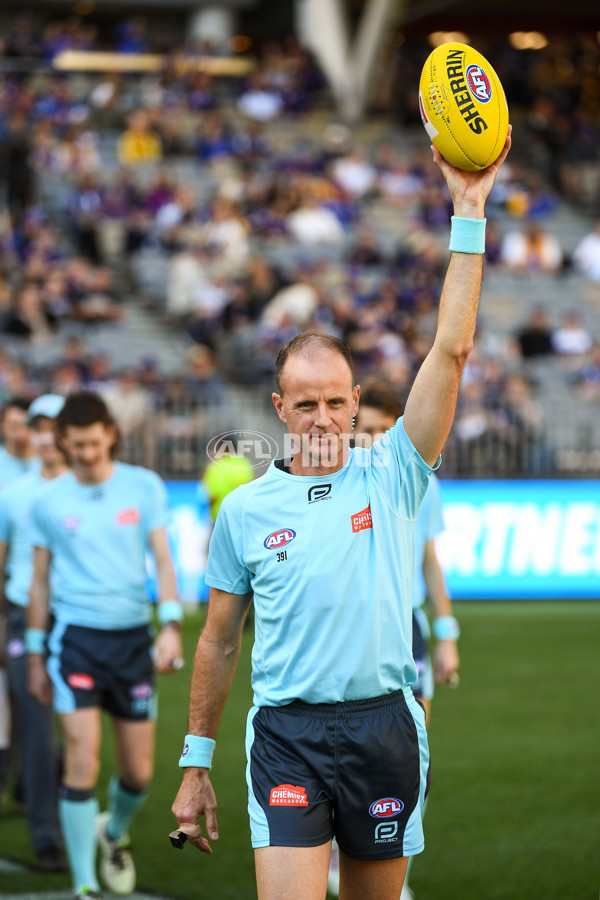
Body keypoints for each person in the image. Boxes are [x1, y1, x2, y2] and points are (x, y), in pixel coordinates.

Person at [171, 131, 511, 900]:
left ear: (357, 403)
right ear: (279, 408)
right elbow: (220, 640)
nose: (322, 418)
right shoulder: (247, 511)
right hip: (286, 736)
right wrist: (196, 762)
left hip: (385, 728)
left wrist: (469, 209)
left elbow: (451, 350)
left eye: (336, 402)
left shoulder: (393, 470)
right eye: (306, 404)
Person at [26, 391, 183, 900]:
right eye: (77, 446)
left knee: (138, 772)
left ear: (110, 435)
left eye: (94, 443)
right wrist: (34, 651)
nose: (87, 454)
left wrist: (171, 624)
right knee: (82, 761)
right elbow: (40, 583)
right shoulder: (47, 502)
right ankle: (84, 885)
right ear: (64, 444)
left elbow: (163, 561)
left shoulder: (144, 487)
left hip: (133, 641)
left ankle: (112, 831)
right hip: (76, 643)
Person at [328, 381, 460, 900]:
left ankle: (388, 865)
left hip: (407, 628)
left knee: (412, 754)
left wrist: (446, 633)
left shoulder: (416, 479)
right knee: (346, 750)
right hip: (355, 630)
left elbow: (430, 561)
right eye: (372, 430)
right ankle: (340, 852)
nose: (379, 439)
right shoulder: (340, 483)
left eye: (390, 430)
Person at [0, 395, 68, 871]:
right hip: (26, 620)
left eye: (53, 426)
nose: (44, 436)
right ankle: (46, 836)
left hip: (78, 622)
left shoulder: (94, 489)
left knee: (78, 738)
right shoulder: (14, 493)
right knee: (39, 730)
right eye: (38, 427)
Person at [0, 396, 39, 810]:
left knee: (32, 695)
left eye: (24, 424)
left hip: (39, 595)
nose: (20, 431)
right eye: (13, 424)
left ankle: (31, 783)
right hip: (9, 593)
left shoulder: (46, 469)